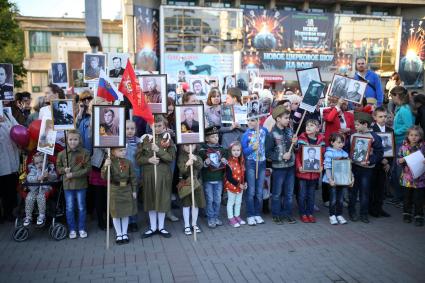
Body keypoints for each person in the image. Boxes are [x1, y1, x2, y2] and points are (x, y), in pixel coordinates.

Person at [137, 116, 175, 238]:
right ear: (150, 126)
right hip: (149, 175)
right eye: (155, 126)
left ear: (164, 127)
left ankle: (161, 227)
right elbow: (138, 159)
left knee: (162, 199)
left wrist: (158, 150)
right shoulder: (145, 139)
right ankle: (153, 227)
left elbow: (170, 158)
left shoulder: (168, 139)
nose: (157, 128)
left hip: (163, 175)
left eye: (160, 126)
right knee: (151, 199)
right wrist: (148, 159)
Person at [349, 111, 383, 223]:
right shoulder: (353, 135)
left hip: (367, 169)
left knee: (365, 192)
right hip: (354, 167)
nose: (355, 126)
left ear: (365, 124)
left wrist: (369, 161)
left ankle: (364, 213)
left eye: (358, 124)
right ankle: (352, 212)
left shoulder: (374, 137)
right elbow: (347, 149)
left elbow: (379, 153)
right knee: (353, 191)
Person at [56, 130, 91, 239]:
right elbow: (58, 168)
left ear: (79, 140)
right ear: (67, 140)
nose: (73, 142)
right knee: (70, 208)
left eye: (75, 139)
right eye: (70, 139)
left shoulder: (85, 153)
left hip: (81, 185)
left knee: (81, 207)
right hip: (68, 185)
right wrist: (63, 170)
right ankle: (72, 229)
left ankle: (81, 228)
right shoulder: (62, 154)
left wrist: (74, 174)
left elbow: (88, 169)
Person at [266, 106, 297, 225]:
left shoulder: (290, 131)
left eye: (288, 118)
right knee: (277, 193)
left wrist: (295, 143)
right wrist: (281, 157)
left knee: (289, 193)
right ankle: (276, 214)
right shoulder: (271, 134)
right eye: (286, 118)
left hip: (290, 167)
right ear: (278, 119)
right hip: (279, 168)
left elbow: (295, 148)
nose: (288, 120)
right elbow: (268, 153)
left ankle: (287, 213)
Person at [102, 147, 137, 244]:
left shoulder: (129, 162)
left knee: (125, 213)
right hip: (115, 189)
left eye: (124, 150)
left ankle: (124, 233)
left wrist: (134, 190)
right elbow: (104, 177)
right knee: (116, 213)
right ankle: (119, 234)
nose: (123, 152)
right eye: (120, 150)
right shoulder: (110, 162)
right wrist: (105, 166)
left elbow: (133, 177)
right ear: (113, 151)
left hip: (126, 189)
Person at [389, 86, 415, 207]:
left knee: (399, 171)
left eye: (392, 96)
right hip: (398, 141)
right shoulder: (400, 108)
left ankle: (400, 198)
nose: (392, 98)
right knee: (396, 170)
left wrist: (395, 131)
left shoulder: (404, 110)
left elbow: (409, 127)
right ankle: (398, 197)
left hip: (402, 143)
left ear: (397, 96)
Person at [296, 119, 325, 223]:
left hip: (314, 174)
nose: (308, 127)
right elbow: (298, 155)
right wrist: (299, 166)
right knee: (302, 194)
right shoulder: (301, 139)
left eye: (311, 125)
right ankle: (303, 213)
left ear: (317, 129)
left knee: (311, 195)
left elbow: (322, 156)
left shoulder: (321, 141)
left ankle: (310, 213)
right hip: (303, 173)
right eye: (307, 125)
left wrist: (321, 166)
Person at [199, 126, 227, 228]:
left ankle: (216, 216)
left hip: (218, 178)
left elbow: (226, 158)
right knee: (209, 199)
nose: (216, 138)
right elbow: (200, 165)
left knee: (217, 199)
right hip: (208, 179)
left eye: (217, 136)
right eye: (213, 136)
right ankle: (210, 218)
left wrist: (224, 160)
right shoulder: (203, 150)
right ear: (207, 139)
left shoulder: (222, 149)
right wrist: (205, 163)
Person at [242, 117, 268, 226]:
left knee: (259, 191)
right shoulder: (246, 135)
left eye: (252, 120)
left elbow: (269, 139)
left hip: (261, 163)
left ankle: (257, 213)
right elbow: (244, 151)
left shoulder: (263, 131)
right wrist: (252, 148)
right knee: (251, 190)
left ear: (258, 121)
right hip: (251, 163)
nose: (249, 122)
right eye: (248, 120)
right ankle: (250, 214)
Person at [398, 126, 425, 227]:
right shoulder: (403, 147)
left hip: (420, 179)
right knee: (407, 197)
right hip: (407, 178)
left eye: (416, 135)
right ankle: (407, 214)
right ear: (408, 136)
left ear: (420, 136)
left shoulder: (423, 147)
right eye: (411, 135)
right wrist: (401, 161)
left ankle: (419, 215)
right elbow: (398, 159)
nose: (413, 137)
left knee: (419, 198)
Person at [323, 133, 352, 225]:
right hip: (332, 180)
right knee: (333, 199)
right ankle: (332, 215)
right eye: (339, 142)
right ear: (332, 142)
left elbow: (348, 167)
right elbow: (327, 167)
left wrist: (351, 178)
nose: (341, 144)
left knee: (340, 199)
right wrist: (330, 179)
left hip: (342, 180)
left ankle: (339, 214)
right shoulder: (329, 153)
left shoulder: (344, 153)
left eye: (342, 142)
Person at [177, 144, 205, 235]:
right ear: (182, 147)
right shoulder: (181, 157)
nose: (189, 147)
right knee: (186, 205)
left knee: (195, 204)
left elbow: (200, 166)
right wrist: (187, 164)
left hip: (196, 184)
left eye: (192, 145)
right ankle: (186, 225)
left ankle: (194, 224)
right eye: (187, 145)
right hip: (186, 183)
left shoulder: (197, 156)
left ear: (195, 146)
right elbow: (182, 170)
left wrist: (195, 160)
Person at [23, 152, 57, 227]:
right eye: (37, 163)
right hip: (34, 189)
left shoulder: (49, 168)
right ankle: (28, 216)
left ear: (46, 161)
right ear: (34, 164)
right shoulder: (33, 170)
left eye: (41, 162)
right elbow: (29, 178)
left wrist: (48, 176)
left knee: (40, 197)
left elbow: (55, 177)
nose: (39, 164)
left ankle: (41, 215)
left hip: (45, 188)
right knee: (29, 198)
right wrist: (37, 178)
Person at [371, 107, 392, 218]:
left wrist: (388, 162)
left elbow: (391, 149)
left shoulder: (390, 130)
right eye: (380, 116)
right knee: (373, 186)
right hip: (375, 162)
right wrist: (380, 159)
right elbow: (371, 148)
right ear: (374, 117)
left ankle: (379, 208)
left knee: (381, 187)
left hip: (385, 163)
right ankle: (372, 208)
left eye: (385, 116)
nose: (383, 119)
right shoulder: (372, 130)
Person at [0, 109, 19, 222]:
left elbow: (18, 128)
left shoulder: (7, 113)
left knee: (10, 189)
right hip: (2, 161)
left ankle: (9, 212)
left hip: (11, 161)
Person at [224, 141, 246, 228]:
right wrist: (238, 184)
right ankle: (231, 218)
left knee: (238, 202)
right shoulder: (229, 163)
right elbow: (229, 177)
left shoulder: (242, 162)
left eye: (238, 150)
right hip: (232, 186)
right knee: (231, 202)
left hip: (240, 186)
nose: (236, 152)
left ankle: (237, 216)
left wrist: (245, 183)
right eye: (234, 150)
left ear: (240, 151)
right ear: (230, 151)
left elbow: (244, 173)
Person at [125, 120, 141, 232]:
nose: (130, 131)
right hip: (124, 175)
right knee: (126, 198)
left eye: (132, 128)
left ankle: (133, 221)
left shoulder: (139, 142)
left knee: (134, 198)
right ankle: (126, 220)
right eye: (127, 128)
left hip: (136, 174)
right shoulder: (121, 141)